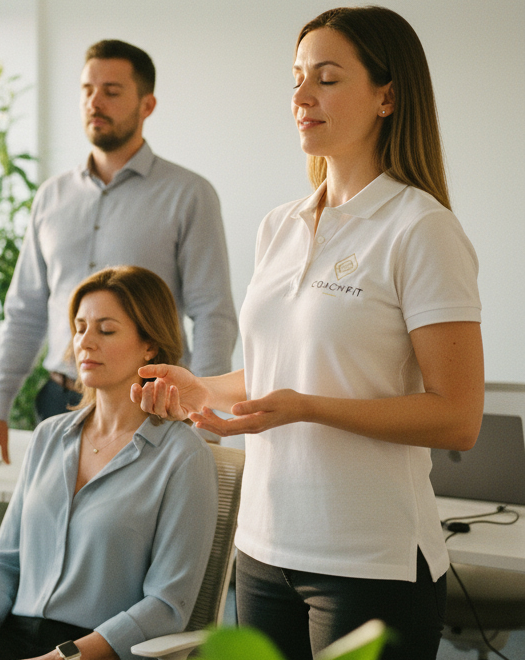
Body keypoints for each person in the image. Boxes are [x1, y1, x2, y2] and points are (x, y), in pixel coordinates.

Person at [133, 7, 483, 660]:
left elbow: (458, 417)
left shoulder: (420, 228)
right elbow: (281, 375)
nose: (300, 98)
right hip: (262, 548)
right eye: (296, 79)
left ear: (387, 95)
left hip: (369, 563)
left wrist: (305, 411)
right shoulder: (280, 225)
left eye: (325, 78)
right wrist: (202, 386)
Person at [0, 39, 237, 479]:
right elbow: (24, 313)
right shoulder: (52, 196)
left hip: (145, 404)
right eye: (88, 89)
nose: (95, 102)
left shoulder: (188, 194)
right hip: (58, 400)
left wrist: (203, 421)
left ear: (147, 104)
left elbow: (213, 315)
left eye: (111, 91)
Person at [0, 266, 218, 660]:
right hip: (10, 636)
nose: (85, 342)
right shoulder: (48, 436)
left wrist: (65, 657)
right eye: (79, 328)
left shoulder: (183, 456)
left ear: (149, 346)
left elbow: (167, 605)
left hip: (96, 650)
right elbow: (3, 563)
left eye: (106, 330)